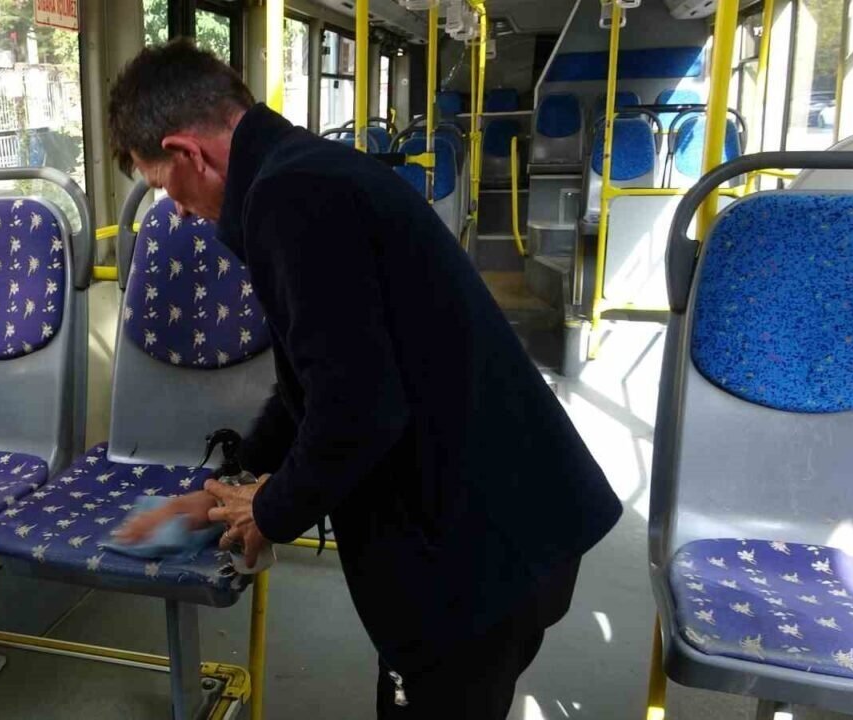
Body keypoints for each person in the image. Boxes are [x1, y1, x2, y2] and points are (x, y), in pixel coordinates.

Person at [107, 39, 622, 719]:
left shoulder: (288, 199)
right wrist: (229, 485)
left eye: (162, 185)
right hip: (500, 518)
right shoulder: (303, 172)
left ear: (187, 153)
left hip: (476, 548)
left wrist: (269, 511)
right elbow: (312, 384)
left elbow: (357, 411)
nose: (174, 210)